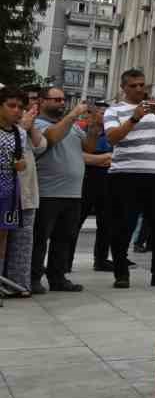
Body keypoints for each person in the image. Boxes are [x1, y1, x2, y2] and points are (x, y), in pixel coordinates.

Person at [103, 69, 155, 288]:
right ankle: (121, 274)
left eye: (142, 85)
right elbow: (112, 138)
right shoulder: (114, 110)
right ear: (124, 88)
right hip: (124, 174)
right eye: (134, 85)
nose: (139, 89)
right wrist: (135, 117)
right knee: (123, 226)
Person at [30, 88, 91, 293]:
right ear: (42, 101)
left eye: (63, 100)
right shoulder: (37, 123)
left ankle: (58, 277)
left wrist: (96, 126)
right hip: (48, 192)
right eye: (56, 99)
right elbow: (52, 138)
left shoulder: (72, 126)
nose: (61, 103)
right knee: (40, 239)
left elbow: (89, 146)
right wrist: (73, 115)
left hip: (73, 192)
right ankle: (33, 278)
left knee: (64, 238)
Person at [0, 88, 36, 299]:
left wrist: (20, 165)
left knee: (3, 236)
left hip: (9, 192)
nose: (17, 111)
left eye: (20, 107)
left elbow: (20, 163)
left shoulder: (19, 133)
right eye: (11, 106)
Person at [78, 104, 115, 271]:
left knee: (106, 222)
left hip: (107, 180)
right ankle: (65, 260)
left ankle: (101, 259)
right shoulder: (82, 131)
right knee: (76, 221)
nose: (104, 116)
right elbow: (81, 156)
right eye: (101, 113)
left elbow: (115, 158)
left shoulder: (112, 134)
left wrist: (98, 158)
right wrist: (101, 158)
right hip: (86, 178)